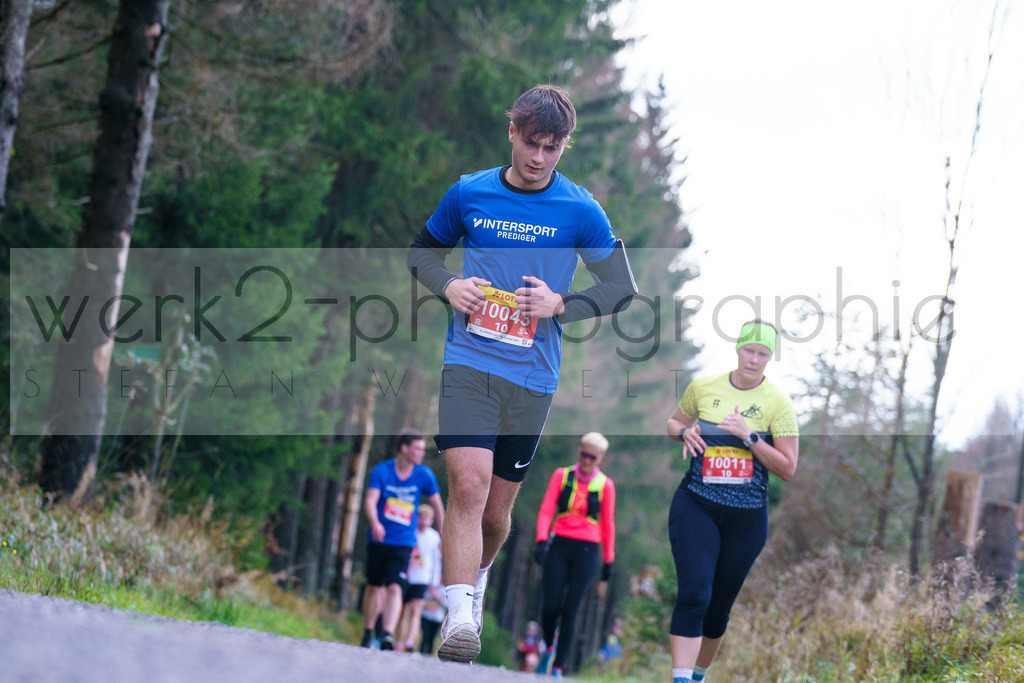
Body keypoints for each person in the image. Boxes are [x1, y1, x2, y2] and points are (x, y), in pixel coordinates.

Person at [406, 83, 637, 663]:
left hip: (533, 377)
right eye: (531, 143)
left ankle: (476, 580)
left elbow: (621, 288)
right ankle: (458, 616)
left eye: (552, 148)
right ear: (512, 132)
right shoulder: (469, 193)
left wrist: (563, 305)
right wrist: (449, 285)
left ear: (564, 147)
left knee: (495, 512)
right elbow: (421, 253)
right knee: (467, 483)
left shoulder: (579, 208)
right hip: (469, 362)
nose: (538, 158)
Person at [664, 320, 799, 683]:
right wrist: (685, 432)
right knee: (694, 594)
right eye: (749, 350)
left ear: (770, 358)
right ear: (738, 349)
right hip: (697, 503)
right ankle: (680, 680)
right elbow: (673, 422)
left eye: (763, 353)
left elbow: (787, 468)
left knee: (717, 609)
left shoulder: (778, 403)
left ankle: (698, 676)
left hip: (746, 519)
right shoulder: (704, 387)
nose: (754, 359)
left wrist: (751, 436)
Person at [533, 432, 616, 677]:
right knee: (550, 605)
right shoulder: (562, 475)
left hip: (587, 550)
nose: (587, 460)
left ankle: (559, 666)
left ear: (599, 459)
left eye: (593, 457)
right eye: (584, 454)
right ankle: (548, 646)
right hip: (559, 544)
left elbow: (607, 524)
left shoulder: (605, 485)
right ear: (578, 451)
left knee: (570, 609)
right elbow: (546, 509)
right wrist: (540, 540)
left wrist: (608, 560)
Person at [360, 431, 445, 651]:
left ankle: (387, 634)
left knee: (396, 588)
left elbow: (437, 506)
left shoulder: (424, 475)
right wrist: (375, 521)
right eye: (417, 448)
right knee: (373, 586)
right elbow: (370, 500)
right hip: (379, 539)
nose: (422, 453)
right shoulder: (381, 471)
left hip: (404, 542)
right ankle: (368, 632)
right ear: (404, 448)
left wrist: (444, 535)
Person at [394, 503, 443, 652]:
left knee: (416, 609)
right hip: (407, 576)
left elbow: (436, 562)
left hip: (423, 577)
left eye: (427, 517)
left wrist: (434, 583)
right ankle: (398, 642)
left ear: (431, 520)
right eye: (421, 516)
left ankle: (410, 641)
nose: (423, 520)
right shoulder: (410, 533)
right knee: (402, 611)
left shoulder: (434, 537)